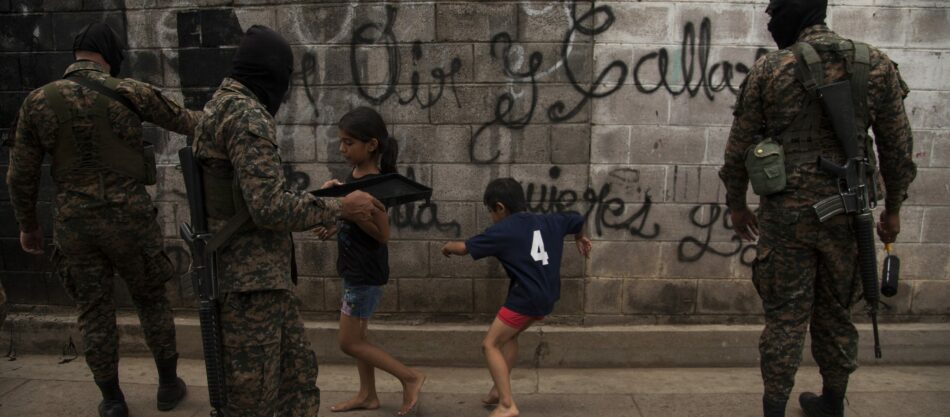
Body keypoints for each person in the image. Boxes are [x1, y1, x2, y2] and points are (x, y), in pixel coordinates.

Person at [719, 1, 917, 416]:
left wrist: (737, 205)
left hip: (787, 216)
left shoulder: (771, 69)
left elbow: (738, 148)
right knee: (836, 311)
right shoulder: (875, 65)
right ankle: (832, 401)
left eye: (775, 15)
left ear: (796, 14)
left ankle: (774, 407)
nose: (771, 24)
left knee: (785, 318)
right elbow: (897, 151)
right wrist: (893, 209)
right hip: (848, 215)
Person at [7, 22, 201, 417]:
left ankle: (112, 400)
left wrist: (28, 225)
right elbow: (188, 122)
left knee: (94, 310)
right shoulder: (129, 91)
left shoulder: (38, 102)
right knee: (151, 301)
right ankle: (167, 387)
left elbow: (20, 174)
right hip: (130, 221)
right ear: (110, 56)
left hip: (75, 226)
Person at [191, 26, 384, 417]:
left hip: (260, 281)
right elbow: (269, 208)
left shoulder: (221, 105)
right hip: (249, 284)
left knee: (297, 378)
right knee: (253, 397)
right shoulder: (247, 116)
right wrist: (339, 207)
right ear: (271, 73)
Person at [441, 178, 592, 417]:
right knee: (509, 338)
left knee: (489, 344)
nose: (492, 216)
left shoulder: (503, 230)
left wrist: (448, 246)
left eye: (491, 211)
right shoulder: (549, 220)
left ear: (500, 207)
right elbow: (577, 219)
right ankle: (497, 392)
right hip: (547, 294)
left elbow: (465, 248)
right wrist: (579, 236)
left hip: (526, 297)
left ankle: (507, 405)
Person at [312, 106, 426, 416]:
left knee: (349, 342)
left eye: (349, 142)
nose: (342, 148)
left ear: (371, 145)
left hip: (365, 273)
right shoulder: (355, 176)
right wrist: (337, 222)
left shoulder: (374, 183)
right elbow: (353, 218)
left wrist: (349, 213)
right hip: (355, 269)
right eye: (342, 142)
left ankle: (410, 377)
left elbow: (382, 233)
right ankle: (367, 395)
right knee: (360, 337)